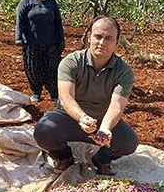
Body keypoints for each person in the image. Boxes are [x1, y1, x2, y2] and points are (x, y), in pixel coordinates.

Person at [33, 15, 139, 176]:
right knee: (43, 131)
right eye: (98, 36)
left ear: (116, 43)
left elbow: (117, 106)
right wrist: (82, 118)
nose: (102, 42)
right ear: (89, 37)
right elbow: (66, 97)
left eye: (109, 38)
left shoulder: (123, 71)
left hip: (103, 119)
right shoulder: (72, 62)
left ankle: (102, 159)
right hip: (70, 117)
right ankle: (64, 157)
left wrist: (105, 128)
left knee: (128, 142)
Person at [15, 0, 66, 103]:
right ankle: (36, 92)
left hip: (50, 42)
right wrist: (18, 37)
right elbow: (19, 21)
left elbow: (58, 23)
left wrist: (61, 40)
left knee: (52, 68)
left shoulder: (52, 3)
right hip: (32, 43)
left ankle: (54, 93)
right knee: (33, 68)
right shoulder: (26, 2)